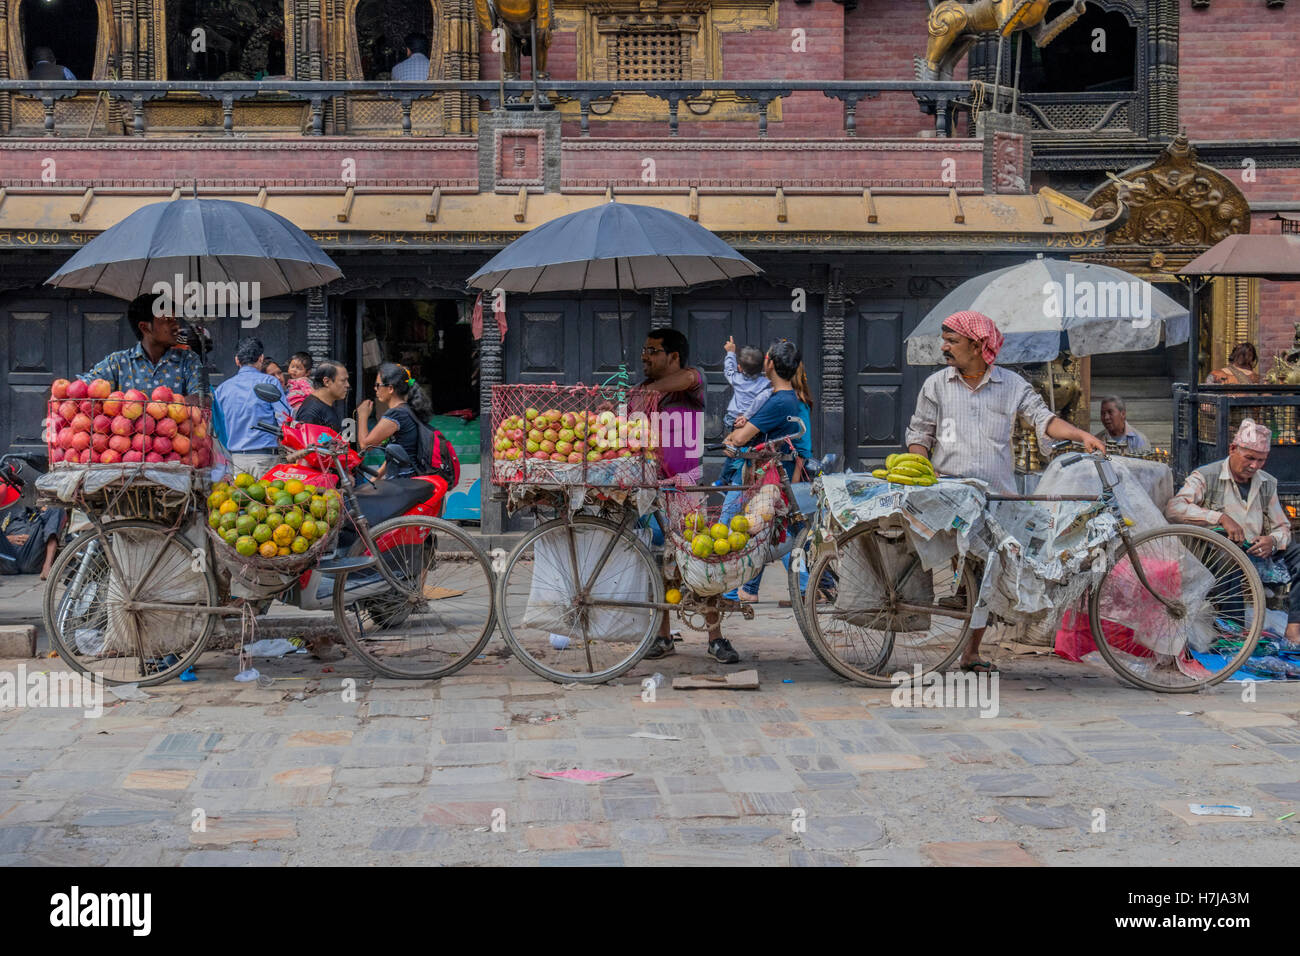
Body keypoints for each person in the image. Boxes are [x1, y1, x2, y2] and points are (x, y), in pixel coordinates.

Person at [905, 310, 1104, 672]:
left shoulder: (1012, 386)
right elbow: (920, 435)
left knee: (987, 576)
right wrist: (921, 466)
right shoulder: (936, 384)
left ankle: (971, 652)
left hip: (997, 496)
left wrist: (1081, 435)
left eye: (953, 341)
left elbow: (1044, 421)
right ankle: (958, 610)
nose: (944, 347)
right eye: (944, 339)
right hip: (950, 495)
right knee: (968, 575)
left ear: (979, 346)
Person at [637, 330, 742, 664]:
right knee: (658, 563)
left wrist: (643, 391)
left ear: (673, 356)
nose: (645, 357)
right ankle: (664, 635)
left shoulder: (692, 381)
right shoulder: (641, 392)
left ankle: (715, 637)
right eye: (644, 350)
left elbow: (687, 377)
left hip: (686, 489)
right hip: (649, 487)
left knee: (698, 560)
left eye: (652, 351)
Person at [1166, 418, 1299, 644]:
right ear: (1233, 449)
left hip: (1255, 549)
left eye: (1261, 460)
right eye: (1249, 458)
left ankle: (1295, 627)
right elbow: (1174, 508)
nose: (1255, 466)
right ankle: (1233, 633)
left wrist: (1272, 541)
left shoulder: (1267, 483)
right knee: (1230, 556)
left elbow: (1283, 528)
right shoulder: (1205, 476)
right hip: (1216, 552)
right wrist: (1220, 518)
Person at [721, 342, 815, 605]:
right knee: (768, 533)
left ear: (771, 363)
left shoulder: (780, 401)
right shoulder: (781, 398)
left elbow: (741, 437)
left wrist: (734, 438)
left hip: (763, 477)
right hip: (764, 477)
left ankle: (725, 591)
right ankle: (743, 590)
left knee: (731, 525)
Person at [80, 294, 203, 396]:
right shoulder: (117, 363)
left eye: (175, 319)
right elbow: (82, 389)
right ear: (145, 327)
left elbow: (202, 398)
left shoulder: (189, 360)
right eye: (167, 319)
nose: (176, 326)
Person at [214, 337, 286, 478]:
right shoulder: (270, 382)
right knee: (266, 499)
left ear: (237, 360)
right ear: (261, 358)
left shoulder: (222, 389)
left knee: (238, 500)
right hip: (265, 460)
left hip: (233, 462)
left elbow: (216, 428)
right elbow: (285, 419)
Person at [356, 362, 431, 479]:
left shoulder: (396, 414)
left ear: (390, 388)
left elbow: (366, 445)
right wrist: (375, 478)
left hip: (403, 483)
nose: (375, 389)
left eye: (378, 385)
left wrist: (362, 416)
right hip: (410, 479)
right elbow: (397, 455)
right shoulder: (407, 410)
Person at [294, 359, 348, 433]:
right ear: (327, 381)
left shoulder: (327, 403)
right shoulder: (310, 412)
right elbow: (307, 442)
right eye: (343, 381)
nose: (347, 385)